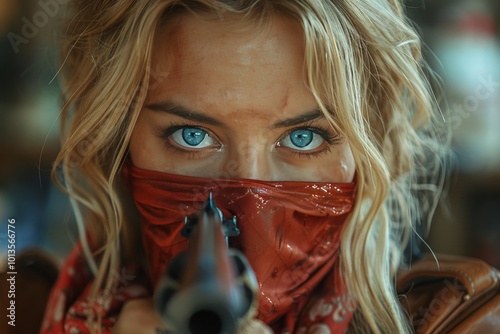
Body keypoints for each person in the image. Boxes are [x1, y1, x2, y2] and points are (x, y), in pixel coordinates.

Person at [42, 0, 449, 333]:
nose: (249, 201)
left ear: (368, 146)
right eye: (191, 136)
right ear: (119, 140)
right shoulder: (16, 305)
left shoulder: (457, 321)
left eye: (303, 138)